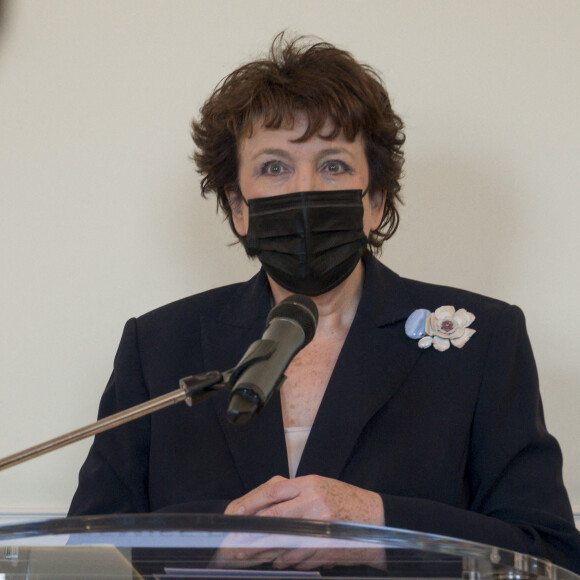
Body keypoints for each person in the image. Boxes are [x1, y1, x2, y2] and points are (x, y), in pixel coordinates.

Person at [68, 33, 580, 573]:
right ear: (239, 207)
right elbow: (86, 545)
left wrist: (377, 525)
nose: (305, 190)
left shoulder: (482, 340)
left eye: (333, 165)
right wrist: (215, 537)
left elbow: (547, 550)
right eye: (274, 167)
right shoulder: (159, 345)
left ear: (376, 200)